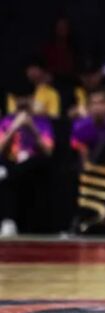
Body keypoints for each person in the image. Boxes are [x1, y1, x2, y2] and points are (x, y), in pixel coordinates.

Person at [0, 82, 55, 237]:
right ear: (14, 100)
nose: (23, 101)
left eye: (26, 97)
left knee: (7, 173)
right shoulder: (6, 121)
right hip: (11, 161)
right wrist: (13, 128)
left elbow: (48, 151)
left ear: (32, 98)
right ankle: (8, 222)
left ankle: (8, 221)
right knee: (6, 169)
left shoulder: (42, 121)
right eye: (19, 98)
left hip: (34, 163)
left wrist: (32, 128)